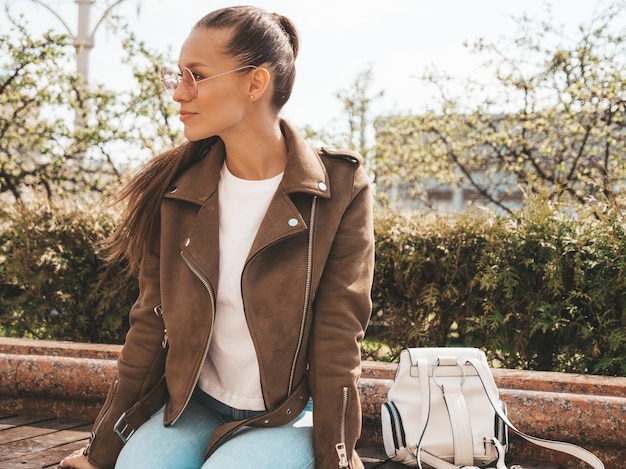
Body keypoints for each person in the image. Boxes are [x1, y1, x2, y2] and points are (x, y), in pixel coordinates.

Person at [60, 5, 374, 469]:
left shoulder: (339, 188)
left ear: (255, 83)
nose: (178, 93)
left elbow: (337, 340)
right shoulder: (175, 189)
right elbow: (148, 325)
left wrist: (338, 459)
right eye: (177, 75)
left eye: (197, 76)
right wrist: (100, 449)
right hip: (196, 405)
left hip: (288, 415)